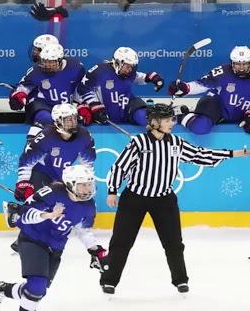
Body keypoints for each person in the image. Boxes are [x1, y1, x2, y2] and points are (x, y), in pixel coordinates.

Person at [100, 103, 249, 295]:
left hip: (164, 200)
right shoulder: (138, 143)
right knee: (121, 242)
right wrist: (112, 190)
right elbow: (119, 167)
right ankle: (109, 280)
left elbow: (199, 155)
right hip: (134, 199)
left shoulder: (176, 143)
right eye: (168, 119)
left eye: (172, 119)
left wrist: (233, 153)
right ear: (154, 122)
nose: (172, 123)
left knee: (174, 243)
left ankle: (180, 280)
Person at [0, 165, 107, 311]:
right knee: (36, 288)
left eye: (89, 185)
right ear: (70, 184)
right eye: (82, 185)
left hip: (56, 248)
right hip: (32, 239)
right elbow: (24, 215)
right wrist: (47, 215)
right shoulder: (51, 192)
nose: (87, 189)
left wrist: (95, 249)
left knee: (37, 292)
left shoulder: (89, 206)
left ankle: (3, 289)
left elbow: (83, 230)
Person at [10, 103, 96, 253]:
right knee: (40, 205)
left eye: (74, 119)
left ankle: (39, 237)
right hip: (41, 173)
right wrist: (22, 182)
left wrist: (86, 182)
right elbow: (27, 160)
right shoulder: (46, 136)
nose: (72, 122)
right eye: (67, 120)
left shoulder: (84, 136)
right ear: (57, 121)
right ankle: (24, 238)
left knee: (59, 209)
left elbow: (87, 163)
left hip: (64, 177)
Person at [8, 43, 86, 141]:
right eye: (44, 61)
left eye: (50, 62)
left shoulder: (76, 68)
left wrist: (83, 105)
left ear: (60, 59)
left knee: (75, 124)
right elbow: (23, 87)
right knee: (46, 119)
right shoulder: (35, 71)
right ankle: (32, 144)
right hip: (42, 105)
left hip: (64, 108)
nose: (47, 65)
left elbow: (81, 88)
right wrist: (19, 95)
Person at [170, 46, 250, 135]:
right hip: (216, 106)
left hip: (241, 112)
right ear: (232, 63)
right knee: (200, 127)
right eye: (238, 64)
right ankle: (182, 116)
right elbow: (202, 85)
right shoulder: (223, 72)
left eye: (245, 64)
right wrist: (185, 87)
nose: (242, 68)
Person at [77, 46, 164, 127]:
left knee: (144, 118)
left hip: (126, 106)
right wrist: (95, 106)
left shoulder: (128, 73)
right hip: (105, 110)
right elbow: (83, 89)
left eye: (132, 67)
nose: (130, 70)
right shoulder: (99, 71)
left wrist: (152, 78)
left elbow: (137, 76)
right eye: (128, 66)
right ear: (118, 62)